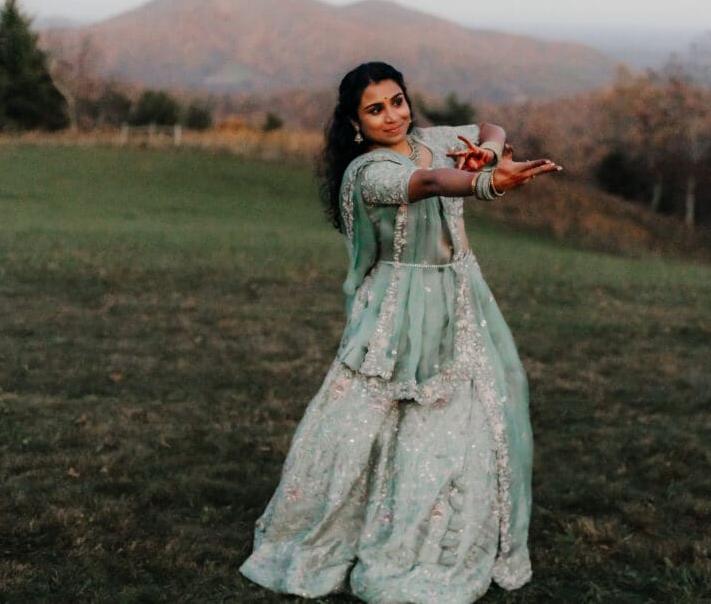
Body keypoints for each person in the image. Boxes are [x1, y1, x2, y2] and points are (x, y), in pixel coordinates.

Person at [239, 61, 562, 603]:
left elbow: (487, 127)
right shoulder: (369, 173)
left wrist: (490, 149)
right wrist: (487, 182)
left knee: (477, 406)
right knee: (370, 413)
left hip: (460, 295)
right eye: (375, 109)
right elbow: (431, 181)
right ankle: (368, 527)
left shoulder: (427, 138)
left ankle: (452, 525)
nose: (392, 116)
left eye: (397, 100)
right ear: (354, 124)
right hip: (400, 304)